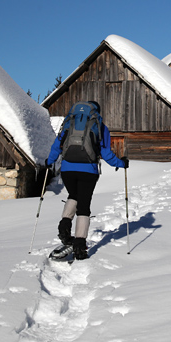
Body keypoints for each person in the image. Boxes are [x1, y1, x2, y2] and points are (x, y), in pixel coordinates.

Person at [46, 101, 128, 260]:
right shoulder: (99, 125)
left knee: (73, 195)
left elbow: (57, 145)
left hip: (67, 170)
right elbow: (106, 153)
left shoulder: (69, 122)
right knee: (83, 206)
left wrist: (49, 161)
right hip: (88, 171)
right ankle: (79, 244)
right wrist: (121, 163)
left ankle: (64, 224)